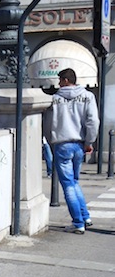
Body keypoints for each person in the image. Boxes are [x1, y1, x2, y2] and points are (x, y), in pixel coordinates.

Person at [43, 68, 99, 234]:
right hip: (79, 143)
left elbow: (48, 123)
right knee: (74, 181)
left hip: (62, 143)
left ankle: (77, 222)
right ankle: (85, 216)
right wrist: (89, 141)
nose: (58, 83)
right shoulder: (88, 96)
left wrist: (51, 140)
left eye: (60, 80)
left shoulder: (54, 99)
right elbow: (93, 121)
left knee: (68, 185)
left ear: (66, 80)